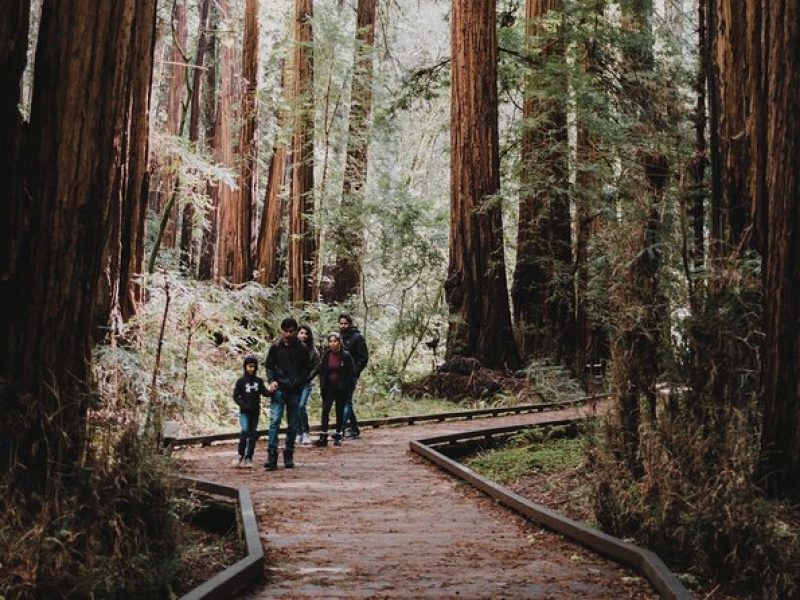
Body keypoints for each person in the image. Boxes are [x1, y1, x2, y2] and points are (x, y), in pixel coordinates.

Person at [264, 317, 312, 470]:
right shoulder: (276, 347)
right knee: (274, 421)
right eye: (286, 331)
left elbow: (307, 369)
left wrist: (299, 382)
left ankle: (289, 453)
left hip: (295, 390)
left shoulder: (302, 348)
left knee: (292, 424)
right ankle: (272, 455)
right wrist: (271, 380)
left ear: (295, 331)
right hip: (279, 389)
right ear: (281, 331)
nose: (288, 335)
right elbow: (269, 365)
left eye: (291, 331)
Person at [314, 333, 355, 447]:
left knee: (339, 410)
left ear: (339, 342)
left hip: (341, 388)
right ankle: (323, 435)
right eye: (330, 341)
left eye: (335, 341)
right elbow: (322, 370)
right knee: (325, 409)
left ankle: (338, 434)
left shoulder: (345, 355)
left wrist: (347, 386)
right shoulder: (326, 355)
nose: (332, 344)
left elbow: (351, 373)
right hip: (328, 387)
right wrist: (322, 384)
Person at [232, 355, 271, 468]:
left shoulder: (258, 381)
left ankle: (249, 457)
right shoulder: (241, 381)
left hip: (255, 411)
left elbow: (264, 392)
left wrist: (272, 391)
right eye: (249, 366)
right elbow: (235, 396)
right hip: (244, 411)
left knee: (253, 434)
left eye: (253, 367)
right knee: (244, 431)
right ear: (245, 367)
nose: (251, 369)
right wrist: (243, 405)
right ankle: (240, 454)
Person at [338, 313, 369, 439]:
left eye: (345, 323)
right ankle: (354, 429)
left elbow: (363, 357)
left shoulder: (357, 338)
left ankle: (341, 430)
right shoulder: (339, 337)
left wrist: (355, 372)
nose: (343, 326)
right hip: (339, 375)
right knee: (345, 401)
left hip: (351, 375)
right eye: (341, 323)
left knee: (346, 401)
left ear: (350, 324)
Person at [297, 324, 320, 445]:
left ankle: (305, 432)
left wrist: (308, 377)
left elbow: (317, 367)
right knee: (295, 407)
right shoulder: (292, 348)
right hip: (294, 383)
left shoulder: (313, 351)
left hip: (306, 383)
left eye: (306, 333)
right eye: (301, 333)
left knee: (301, 406)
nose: (304, 336)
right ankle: (298, 433)